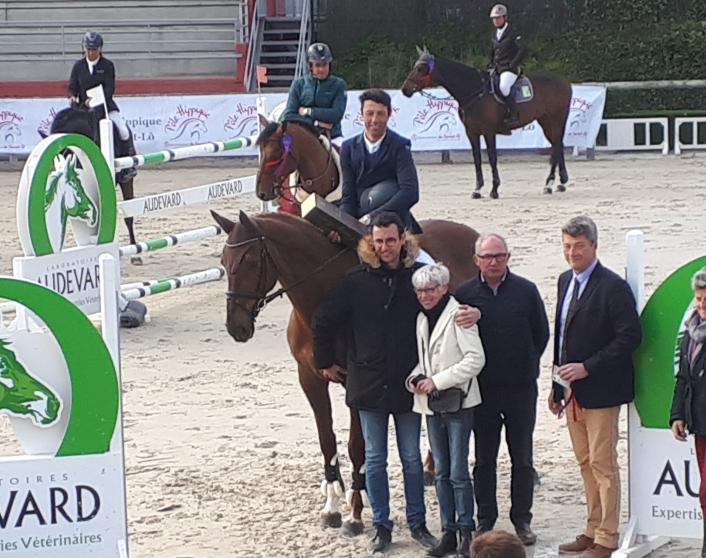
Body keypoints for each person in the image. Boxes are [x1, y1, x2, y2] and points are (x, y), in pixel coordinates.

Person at [312, 212, 437, 553]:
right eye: (379, 241)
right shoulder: (355, 280)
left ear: (402, 240)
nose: (385, 247)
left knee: (411, 458)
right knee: (376, 459)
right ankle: (382, 525)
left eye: (390, 240)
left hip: (408, 384)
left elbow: (442, 313)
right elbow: (323, 319)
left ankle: (418, 523)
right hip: (368, 384)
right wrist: (324, 362)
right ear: (371, 242)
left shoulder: (417, 277)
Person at [548, 216, 641, 558]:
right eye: (567, 246)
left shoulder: (613, 286)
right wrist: (556, 386)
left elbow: (630, 337)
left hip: (602, 390)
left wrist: (588, 367)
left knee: (603, 464)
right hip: (571, 391)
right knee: (585, 462)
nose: (572, 253)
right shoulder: (564, 280)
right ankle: (591, 528)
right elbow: (561, 337)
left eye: (579, 247)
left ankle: (607, 535)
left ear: (594, 247)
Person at [455, 233, 549, 546]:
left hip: (521, 388)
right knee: (484, 458)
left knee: (522, 456)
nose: (493, 262)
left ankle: (522, 519)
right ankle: (486, 518)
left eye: (499, 256)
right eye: (487, 257)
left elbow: (541, 334)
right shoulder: (465, 294)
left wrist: (526, 363)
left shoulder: (526, 290)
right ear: (476, 260)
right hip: (483, 390)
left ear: (508, 257)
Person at [406, 263, 485, 558]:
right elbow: (425, 360)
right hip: (432, 403)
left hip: (458, 401)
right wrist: (415, 378)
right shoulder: (421, 318)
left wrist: (436, 381)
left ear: (443, 289)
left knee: (458, 471)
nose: (424, 296)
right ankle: (448, 531)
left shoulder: (459, 316)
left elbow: (475, 359)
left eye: (430, 290)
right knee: (440, 471)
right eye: (420, 291)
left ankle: (466, 531)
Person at [340, 89, 422, 233]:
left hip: (393, 221)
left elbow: (410, 192)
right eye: (369, 113)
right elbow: (348, 195)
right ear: (361, 114)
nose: (374, 120)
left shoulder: (400, 146)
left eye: (380, 114)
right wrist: (343, 224)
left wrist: (373, 217)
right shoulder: (348, 148)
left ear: (389, 115)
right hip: (360, 220)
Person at [670, 267, 706, 558]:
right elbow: (683, 377)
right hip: (699, 423)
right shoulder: (690, 332)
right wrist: (677, 415)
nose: (702, 304)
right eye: (699, 298)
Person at [68, 32, 133, 158]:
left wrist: (95, 100)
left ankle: (127, 160)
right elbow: (72, 87)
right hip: (84, 108)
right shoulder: (78, 66)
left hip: (105, 107)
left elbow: (109, 89)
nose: (90, 53)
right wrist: (72, 96)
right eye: (88, 49)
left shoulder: (107, 65)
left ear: (100, 49)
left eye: (94, 50)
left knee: (123, 131)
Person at [281, 42, 347, 139]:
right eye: (317, 65)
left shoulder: (339, 84)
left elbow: (336, 114)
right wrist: (315, 123)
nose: (321, 69)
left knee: (344, 148)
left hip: (332, 136)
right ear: (311, 66)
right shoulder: (298, 84)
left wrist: (308, 111)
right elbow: (289, 115)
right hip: (303, 136)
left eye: (324, 65)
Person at [488, 4, 527, 126]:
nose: (496, 21)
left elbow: (523, 49)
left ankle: (514, 114)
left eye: (498, 18)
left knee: (504, 87)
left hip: (509, 69)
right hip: (497, 68)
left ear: (505, 18)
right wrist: (490, 63)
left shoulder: (513, 32)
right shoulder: (494, 34)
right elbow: (492, 51)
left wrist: (513, 63)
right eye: (494, 18)